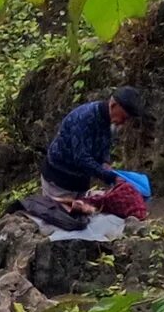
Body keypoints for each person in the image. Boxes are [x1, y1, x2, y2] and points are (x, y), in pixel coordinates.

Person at [40, 85, 148, 219]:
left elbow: (104, 148)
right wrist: (109, 176)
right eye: (124, 117)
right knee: (62, 221)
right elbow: (81, 158)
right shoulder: (84, 118)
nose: (123, 122)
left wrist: (105, 163)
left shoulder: (109, 123)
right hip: (58, 180)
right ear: (113, 105)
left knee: (81, 219)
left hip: (80, 182)